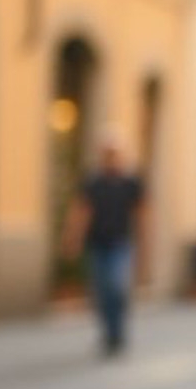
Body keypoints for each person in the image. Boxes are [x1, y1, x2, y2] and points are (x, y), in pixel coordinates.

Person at [61, 133, 144, 358]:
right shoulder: (93, 182)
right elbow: (81, 211)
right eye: (106, 153)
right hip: (97, 244)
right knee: (101, 290)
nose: (110, 157)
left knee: (117, 287)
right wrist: (73, 239)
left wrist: (145, 246)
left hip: (121, 243)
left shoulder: (131, 182)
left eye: (114, 153)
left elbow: (142, 214)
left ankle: (118, 331)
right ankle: (108, 333)